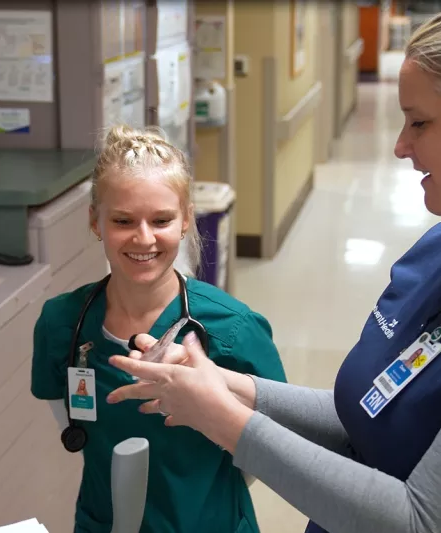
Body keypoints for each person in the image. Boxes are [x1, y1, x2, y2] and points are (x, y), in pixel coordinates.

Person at [105, 5, 441, 533]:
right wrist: (225, 385)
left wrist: (222, 417)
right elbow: (375, 417)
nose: (400, 146)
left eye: (420, 122)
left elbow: (429, 523)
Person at [30, 125, 287, 533]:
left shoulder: (232, 331)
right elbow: (74, 429)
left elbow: (270, 446)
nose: (144, 237)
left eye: (162, 219)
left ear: (186, 220)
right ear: (95, 222)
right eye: (123, 220)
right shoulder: (63, 325)